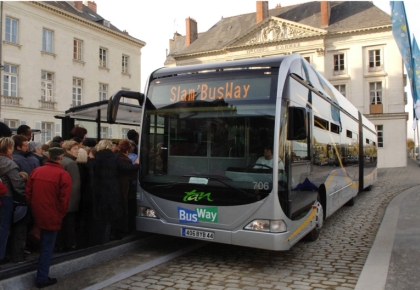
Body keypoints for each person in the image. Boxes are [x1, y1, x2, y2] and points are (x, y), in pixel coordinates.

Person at [26, 147, 72, 288]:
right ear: (61, 157)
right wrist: (60, 214)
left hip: (38, 212)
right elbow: (64, 200)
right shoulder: (63, 175)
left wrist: (34, 208)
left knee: (43, 244)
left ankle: (42, 275)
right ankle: (42, 277)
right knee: (47, 247)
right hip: (52, 214)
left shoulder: (36, 171)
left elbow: (28, 193)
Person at [87, 140, 139, 246]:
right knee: (112, 213)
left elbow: (90, 170)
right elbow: (126, 168)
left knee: (100, 214)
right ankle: (109, 235)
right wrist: (137, 164)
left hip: (98, 189)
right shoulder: (114, 158)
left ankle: (100, 238)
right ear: (110, 147)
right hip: (112, 189)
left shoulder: (95, 158)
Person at [0, 137, 26, 265]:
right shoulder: (9, 164)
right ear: (8, 148)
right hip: (5, 198)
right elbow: (18, 185)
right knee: (3, 227)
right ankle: (1, 255)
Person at [57, 141, 81, 252]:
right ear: (67, 150)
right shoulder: (71, 163)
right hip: (69, 201)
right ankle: (69, 244)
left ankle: (61, 244)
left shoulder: (62, 161)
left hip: (61, 198)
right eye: (75, 149)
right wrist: (73, 203)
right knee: (69, 224)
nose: (78, 151)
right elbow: (74, 185)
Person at [112, 140, 137, 239]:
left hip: (116, 185)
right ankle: (123, 230)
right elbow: (132, 176)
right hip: (125, 187)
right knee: (125, 207)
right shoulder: (126, 160)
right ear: (128, 149)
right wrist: (136, 165)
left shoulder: (116, 157)